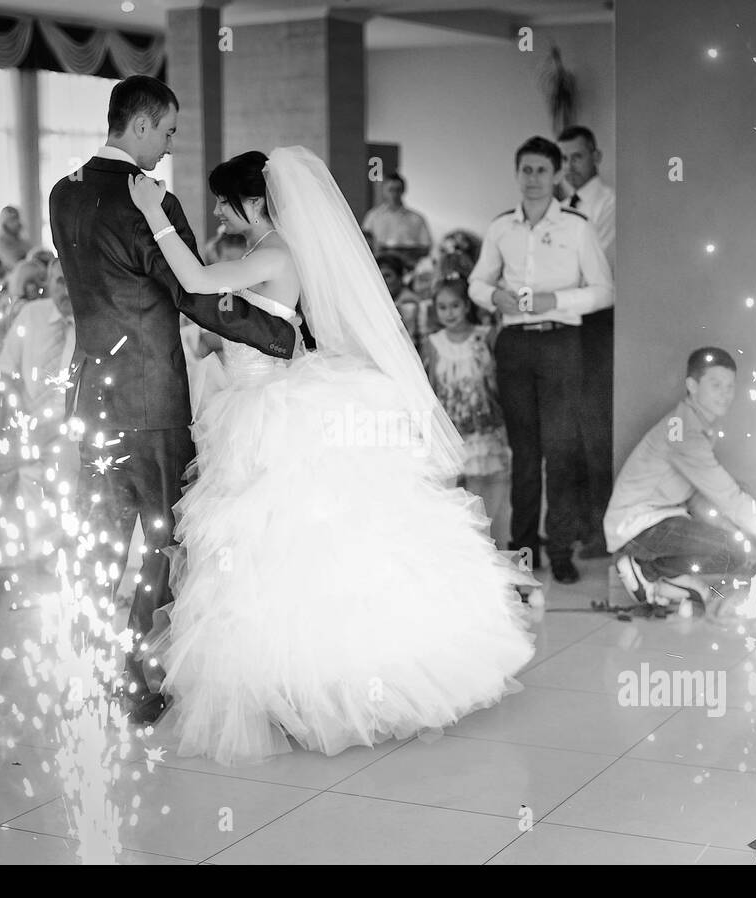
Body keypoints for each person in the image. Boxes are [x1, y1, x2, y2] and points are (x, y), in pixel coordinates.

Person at [128, 146, 533, 766]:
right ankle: (282, 685)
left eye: (222, 199)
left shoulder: (271, 253)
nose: (216, 211)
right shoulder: (267, 252)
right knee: (271, 553)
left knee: (293, 548)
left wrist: (156, 215)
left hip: (273, 411)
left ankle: (319, 685)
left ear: (255, 202)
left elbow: (199, 282)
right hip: (256, 401)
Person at [48, 75, 298, 726]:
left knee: (98, 540)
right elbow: (194, 294)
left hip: (89, 393)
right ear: (139, 125)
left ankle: (85, 667)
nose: (166, 147)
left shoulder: (62, 194)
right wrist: (278, 333)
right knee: (162, 537)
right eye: (165, 132)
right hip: (150, 397)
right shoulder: (150, 200)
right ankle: (135, 678)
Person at [468, 135, 614, 585]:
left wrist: (556, 298)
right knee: (526, 454)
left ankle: (561, 547)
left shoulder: (577, 226)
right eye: (525, 170)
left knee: (561, 451)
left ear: (556, 176)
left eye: (541, 171)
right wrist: (494, 296)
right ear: (517, 175)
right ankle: (525, 549)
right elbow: (476, 282)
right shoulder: (501, 228)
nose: (532, 179)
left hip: (560, 345)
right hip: (515, 347)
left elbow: (606, 290)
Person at [606, 348, 756, 608]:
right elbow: (731, 500)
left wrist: (744, 537)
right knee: (733, 546)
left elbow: (705, 498)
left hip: (664, 519)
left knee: (735, 540)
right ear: (692, 385)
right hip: (638, 526)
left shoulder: (691, 424)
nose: (725, 393)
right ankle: (644, 568)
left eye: (730, 386)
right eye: (716, 384)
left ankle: (665, 576)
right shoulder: (684, 432)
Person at [0, 258, 77, 562]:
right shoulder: (32, 314)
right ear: (49, 284)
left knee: (53, 479)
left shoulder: (96, 321)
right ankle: (20, 548)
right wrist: (22, 415)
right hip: (28, 427)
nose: (67, 290)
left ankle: (54, 553)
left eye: (73, 279)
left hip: (73, 432)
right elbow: (6, 373)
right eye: (60, 282)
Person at [558, 125, 617, 558]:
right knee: (568, 430)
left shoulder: (609, 205)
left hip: (596, 325)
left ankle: (601, 526)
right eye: (564, 159)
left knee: (595, 429)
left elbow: (597, 271)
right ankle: (574, 522)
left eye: (577, 157)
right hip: (562, 326)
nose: (569, 167)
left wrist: (557, 285)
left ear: (595, 156)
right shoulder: (558, 207)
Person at [423, 274, 510, 546]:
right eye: (442, 307)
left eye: (455, 306)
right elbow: (432, 385)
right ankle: (461, 546)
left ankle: (488, 543)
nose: (449, 313)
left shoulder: (483, 337)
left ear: (466, 306)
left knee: (483, 490)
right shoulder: (434, 342)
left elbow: (496, 379)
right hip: (452, 428)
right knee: (454, 492)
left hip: (482, 425)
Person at [362, 172, 432, 268]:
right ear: (384, 191)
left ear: (403, 190)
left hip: (407, 268)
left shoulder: (417, 218)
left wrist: (403, 253)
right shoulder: (373, 217)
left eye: (397, 190)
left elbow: (426, 247)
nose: (394, 194)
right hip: (379, 267)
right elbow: (364, 242)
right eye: (390, 190)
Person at [0, 205, 31, 270]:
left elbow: (32, 257)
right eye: (12, 219)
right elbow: (12, 263)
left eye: (17, 218)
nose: (17, 222)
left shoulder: (22, 240)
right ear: (4, 222)